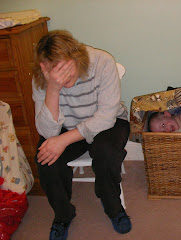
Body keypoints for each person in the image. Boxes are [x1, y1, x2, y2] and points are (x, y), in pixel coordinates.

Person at [32, 30, 131, 240]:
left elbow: (106, 117)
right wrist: (53, 89)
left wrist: (64, 140)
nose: (64, 77)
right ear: (44, 69)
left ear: (77, 57)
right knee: (45, 160)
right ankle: (63, 214)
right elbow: (47, 132)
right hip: (67, 126)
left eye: (67, 69)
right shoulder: (44, 79)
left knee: (106, 153)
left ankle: (113, 206)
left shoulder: (102, 62)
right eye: (55, 73)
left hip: (108, 123)